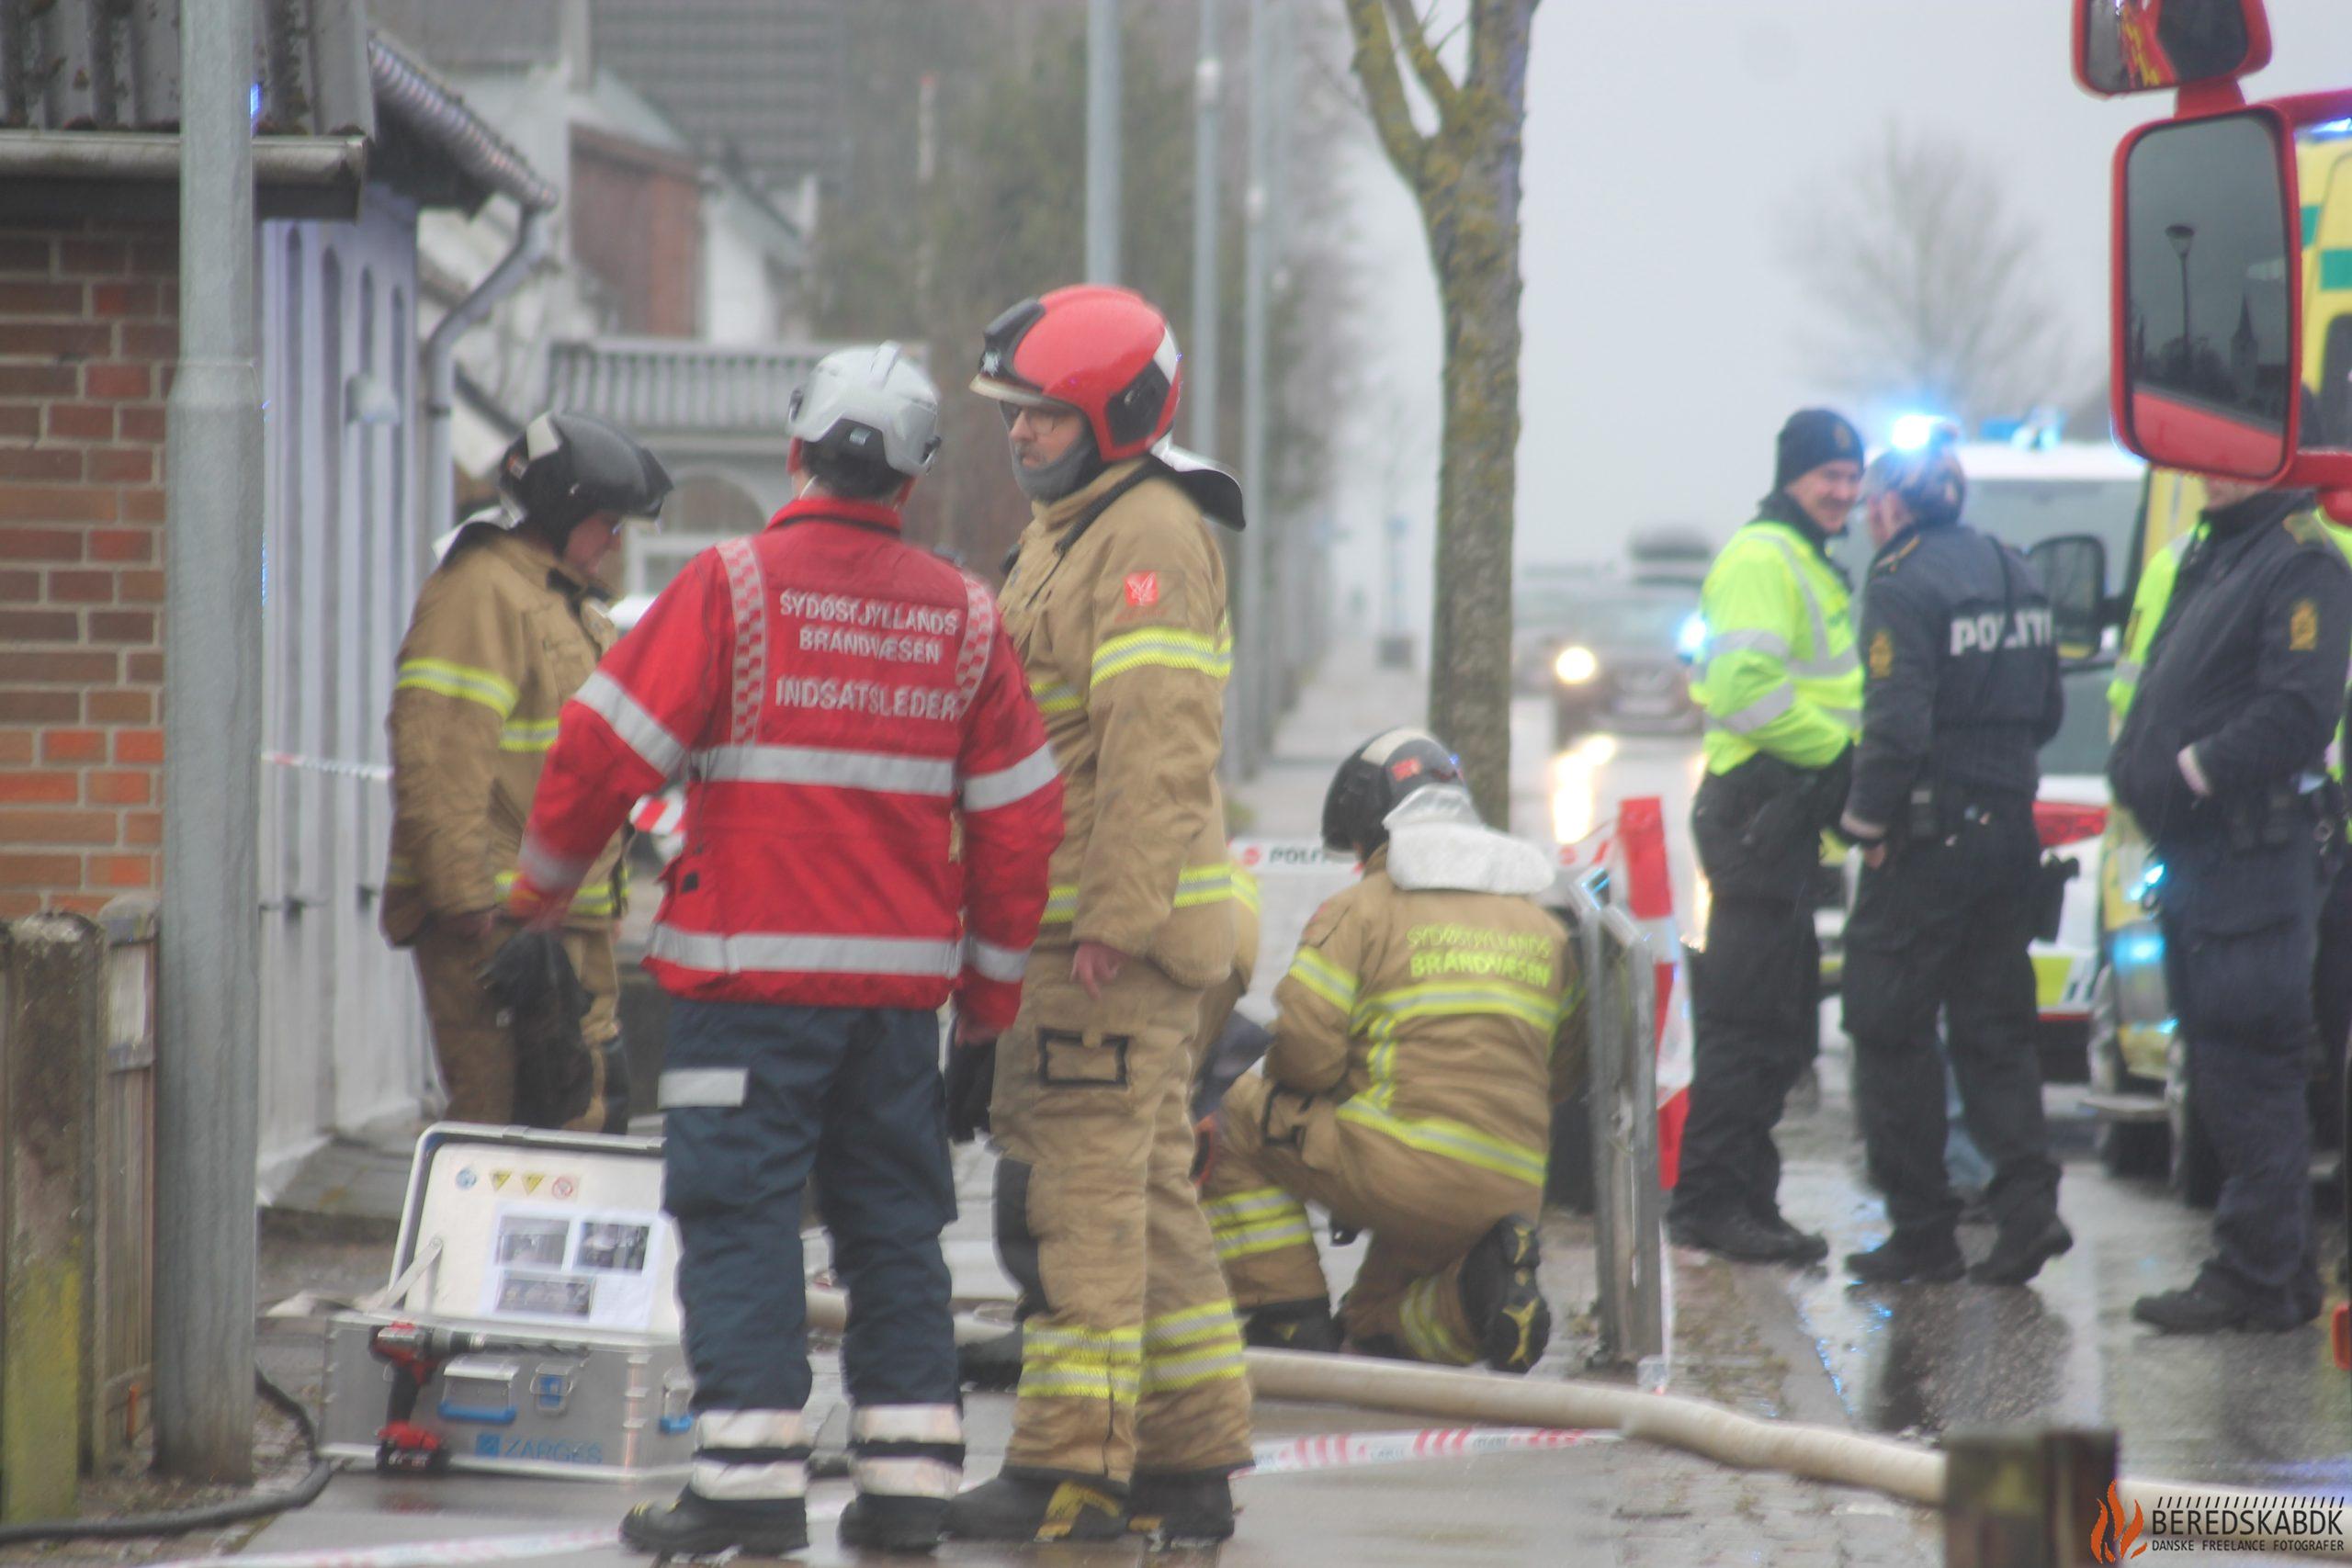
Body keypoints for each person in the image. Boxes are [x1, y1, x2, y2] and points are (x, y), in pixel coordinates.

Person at [503, 344, 1064, 1557]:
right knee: (893, 1226)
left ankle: (750, 1480)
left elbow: (601, 756)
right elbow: (1021, 820)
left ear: (799, 446)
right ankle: (911, 1477)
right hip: (895, 1007)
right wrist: (988, 1008)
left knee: (742, 1216)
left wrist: (536, 903)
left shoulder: (730, 588)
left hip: (745, 989)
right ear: (910, 479)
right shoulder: (969, 616)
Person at [949, 285, 1254, 1546]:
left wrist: (1111, 922)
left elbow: (1156, 750)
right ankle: (1186, 1460)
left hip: (1100, 948)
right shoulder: (1075, 528)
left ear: (1117, 416)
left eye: (1044, 415)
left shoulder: (1147, 536)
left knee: (1077, 1201)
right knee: (1145, 1199)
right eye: (1014, 414)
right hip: (1077, 935)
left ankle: (1071, 1467)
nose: (1019, 434)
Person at [1197, 730, 1576, 1371]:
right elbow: (1561, 1069)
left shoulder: (1360, 910)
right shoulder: (1542, 927)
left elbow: (1304, 1061)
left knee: (1223, 1102)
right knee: (1373, 1322)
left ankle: (1289, 1316)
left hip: (1396, 1171)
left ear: (1370, 832)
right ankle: (1482, 1288)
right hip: (1509, 1187)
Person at [2109, 468, 2352, 1334]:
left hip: (2255, 854)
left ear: (2282, 461)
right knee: (2224, 1063)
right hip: (2208, 858)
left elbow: (2300, 708)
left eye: (2238, 452)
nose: (2213, 468)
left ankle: (2255, 1272)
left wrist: (2191, 771)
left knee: (2251, 1062)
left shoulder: (2299, 562)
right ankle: (2276, 1271)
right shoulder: (2220, 554)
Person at [382, 412, 671, 1131]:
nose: (616, 538)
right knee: (510, 1141)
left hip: (564, 928)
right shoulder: (481, 593)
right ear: (564, 507)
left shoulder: (563, 601)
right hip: (502, 936)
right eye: (607, 520)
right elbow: (438, 752)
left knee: (586, 1123)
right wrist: (466, 904)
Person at [1834, 431, 2073, 1286]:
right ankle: (2027, 1213)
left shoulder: (1900, 581)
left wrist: (1863, 822)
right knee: (1997, 1030)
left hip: (1930, 841)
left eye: (1871, 500)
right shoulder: (2015, 568)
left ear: (1896, 505)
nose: (1866, 516)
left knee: (1885, 1022)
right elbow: (2047, 705)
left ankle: (1923, 1228)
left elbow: (1895, 723)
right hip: (2010, 831)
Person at [1666, 409, 1866, 1265]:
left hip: (1778, 815)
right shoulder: (1762, 558)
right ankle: (1711, 1202)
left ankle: (1748, 1197)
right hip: (1757, 810)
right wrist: (1842, 755)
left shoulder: (1805, 559)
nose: (1844, 490)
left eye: (1854, 476)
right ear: (1793, 475)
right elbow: (1743, 690)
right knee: (1748, 1023)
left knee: (1779, 1024)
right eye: (1830, 474)